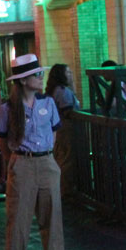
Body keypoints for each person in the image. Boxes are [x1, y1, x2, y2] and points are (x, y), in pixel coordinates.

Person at [0, 54, 70, 250]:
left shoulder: (48, 104)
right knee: (18, 222)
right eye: (36, 74)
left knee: (53, 220)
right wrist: (17, 162)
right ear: (24, 80)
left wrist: (46, 157)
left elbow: (54, 135)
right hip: (23, 164)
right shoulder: (7, 108)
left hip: (46, 162)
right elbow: (3, 143)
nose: (40, 77)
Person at [45, 65, 80, 198]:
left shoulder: (55, 90)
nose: (71, 74)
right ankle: (65, 189)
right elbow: (68, 112)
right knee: (67, 159)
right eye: (68, 72)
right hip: (66, 130)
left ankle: (62, 188)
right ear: (61, 75)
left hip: (59, 130)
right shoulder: (63, 91)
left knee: (61, 157)